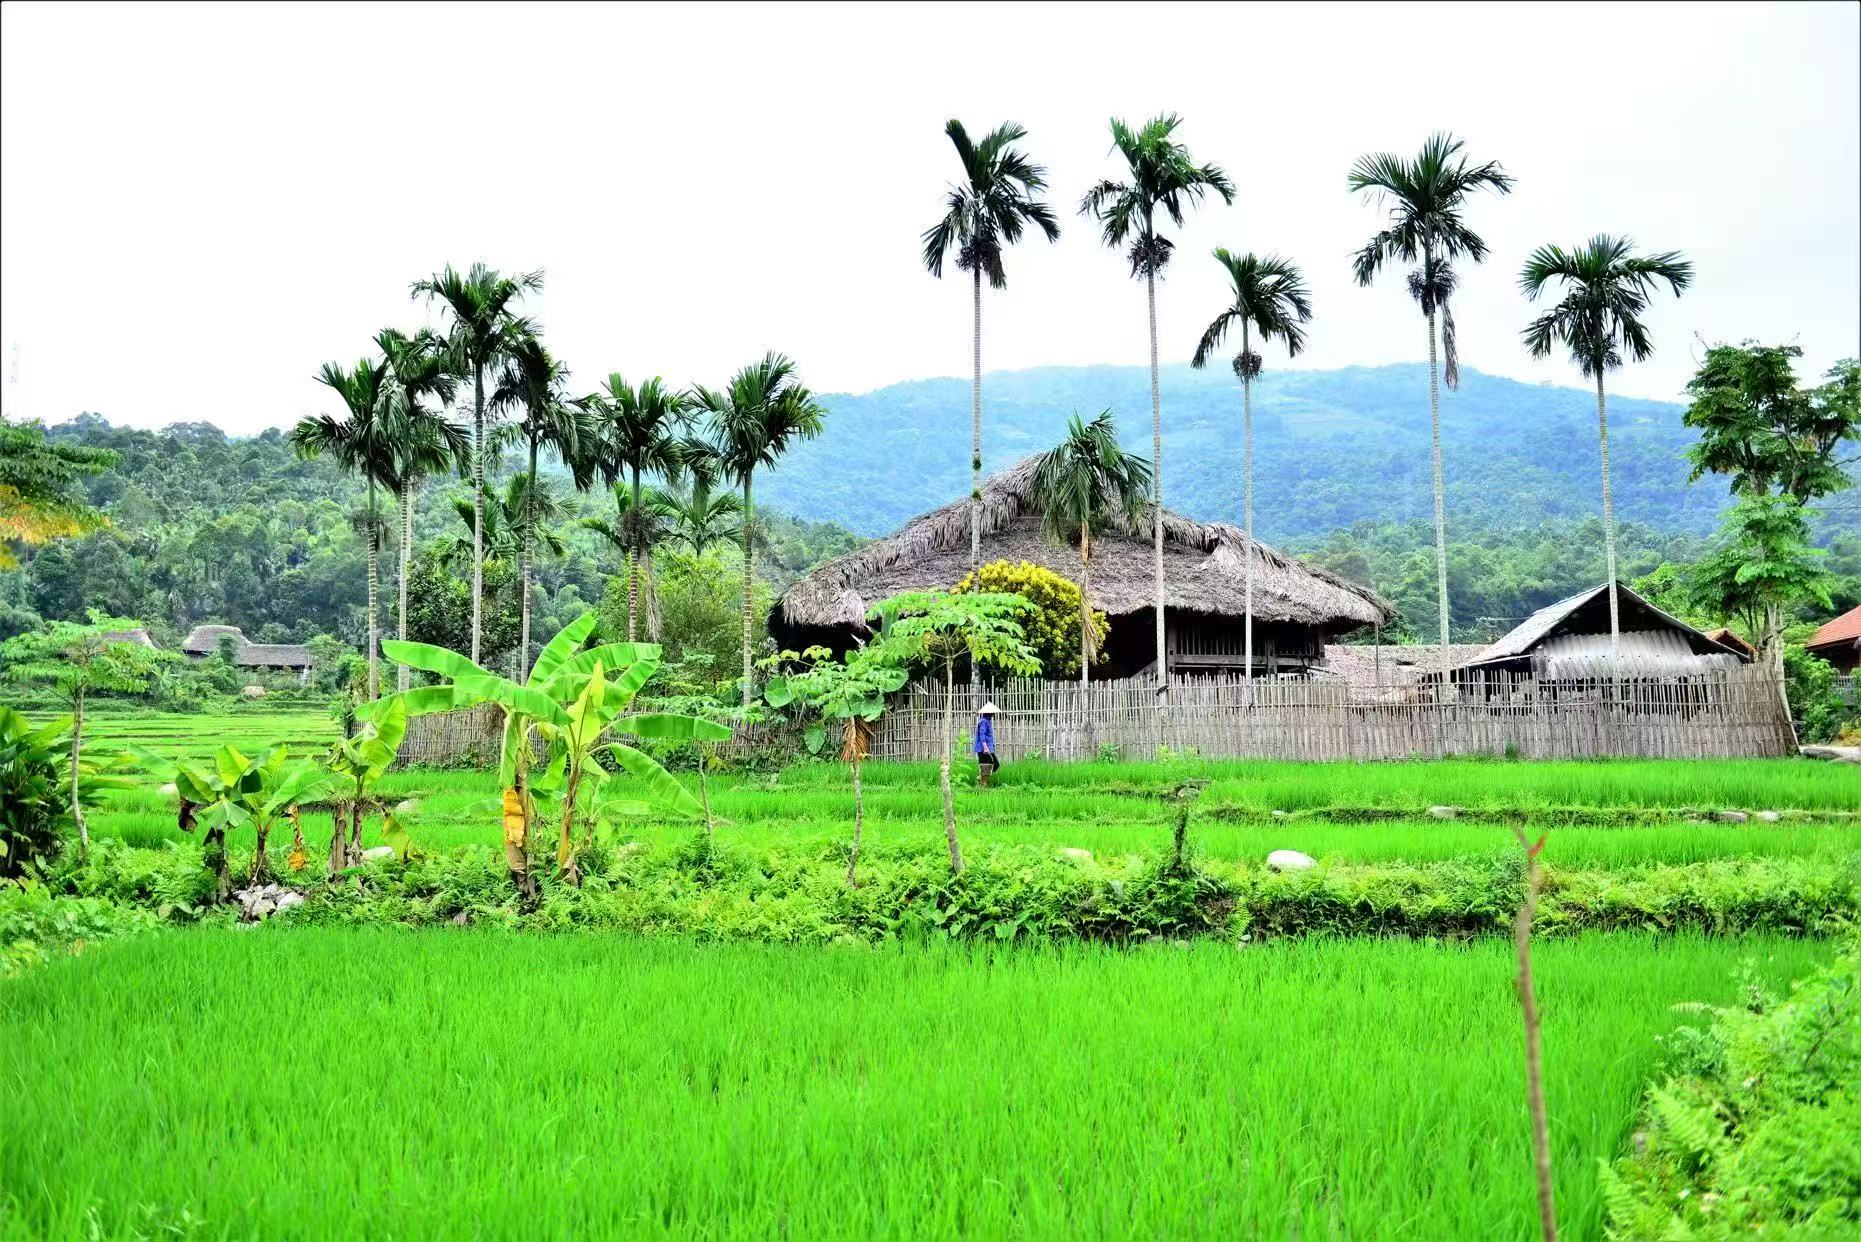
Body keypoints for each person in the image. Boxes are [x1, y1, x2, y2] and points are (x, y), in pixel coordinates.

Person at [975, 701, 999, 788]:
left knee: (987, 767)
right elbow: (982, 734)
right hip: (984, 749)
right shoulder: (984, 721)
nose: (993, 714)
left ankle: (982, 783)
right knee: (995, 764)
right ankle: (981, 779)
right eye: (992, 713)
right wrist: (985, 747)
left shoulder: (986, 721)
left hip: (987, 748)